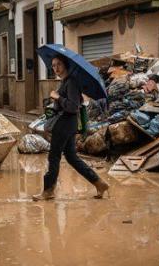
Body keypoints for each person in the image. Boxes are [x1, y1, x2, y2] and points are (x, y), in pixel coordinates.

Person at [33, 55, 110, 201]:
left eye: (59, 65)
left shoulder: (71, 83)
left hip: (64, 124)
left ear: (66, 65)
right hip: (67, 123)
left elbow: (73, 107)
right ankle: (99, 183)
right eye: (54, 65)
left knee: (54, 156)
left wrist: (57, 97)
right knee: (71, 157)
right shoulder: (65, 82)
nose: (55, 68)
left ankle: (48, 191)